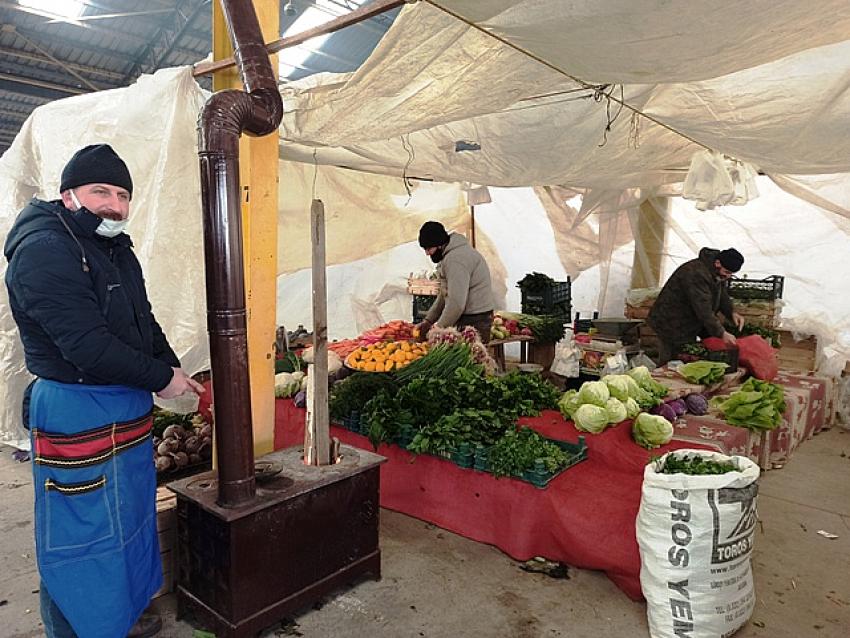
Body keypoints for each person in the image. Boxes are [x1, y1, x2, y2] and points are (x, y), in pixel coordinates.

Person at [3, 144, 204, 638]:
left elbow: (143, 319)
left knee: (127, 520)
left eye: (122, 194)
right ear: (68, 193)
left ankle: (121, 615)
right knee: (81, 532)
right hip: (76, 407)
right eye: (101, 191)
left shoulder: (114, 247)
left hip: (123, 407)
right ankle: (74, 630)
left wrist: (172, 365)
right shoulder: (43, 249)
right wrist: (162, 379)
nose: (113, 205)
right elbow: (86, 346)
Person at [647, 246, 746, 365]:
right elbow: (703, 309)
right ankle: (664, 381)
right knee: (672, 361)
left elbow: (721, 294)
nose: (728, 276)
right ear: (717, 263)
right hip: (671, 321)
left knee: (684, 357)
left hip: (688, 321)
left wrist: (731, 312)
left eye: (731, 274)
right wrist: (721, 333)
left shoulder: (715, 272)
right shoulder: (696, 273)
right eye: (727, 272)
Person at [415, 221, 494, 343]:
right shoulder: (450, 255)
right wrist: (428, 321)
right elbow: (445, 294)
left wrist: (438, 328)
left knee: (470, 360)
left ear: (440, 244)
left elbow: (456, 303)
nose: (427, 253)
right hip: (469, 317)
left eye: (429, 248)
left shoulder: (456, 260)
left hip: (475, 320)